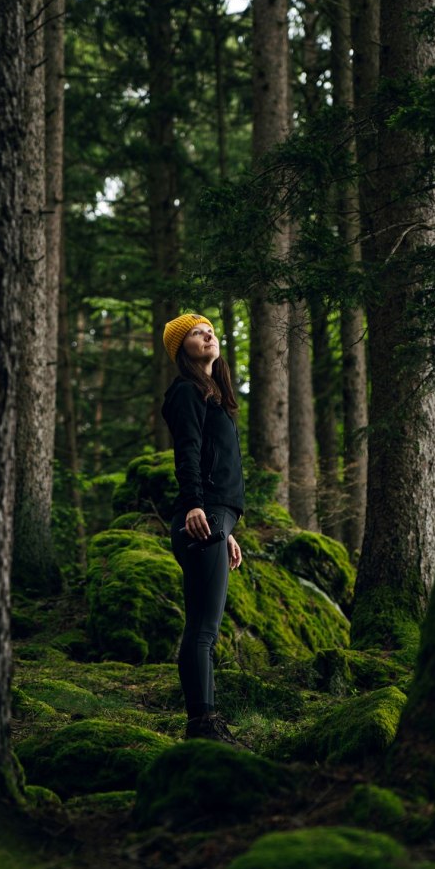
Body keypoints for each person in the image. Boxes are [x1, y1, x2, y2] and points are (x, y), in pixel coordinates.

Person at [161, 313, 246, 747]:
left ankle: (206, 721)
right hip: (200, 516)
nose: (208, 334)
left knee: (206, 628)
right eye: (196, 333)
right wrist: (197, 503)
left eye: (210, 329)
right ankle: (202, 724)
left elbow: (217, 460)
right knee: (203, 629)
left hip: (214, 519)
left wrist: (225, 527)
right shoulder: (186, 392)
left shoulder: (215, 396)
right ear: (182, 349)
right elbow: (188, 451)